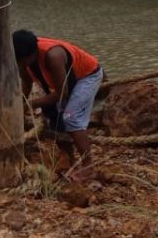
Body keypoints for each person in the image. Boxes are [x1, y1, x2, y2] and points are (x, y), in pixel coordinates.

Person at [13, 30, 103, 166]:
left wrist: (28, 105)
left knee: (71, 118)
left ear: (31, 55)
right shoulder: (23, 57)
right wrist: (20, 102)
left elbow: (61, 94)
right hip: (65, 83)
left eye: (21, 61)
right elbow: (26, 81)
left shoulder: (54, 56)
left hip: (86, 76)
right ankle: (69, 158)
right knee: (53, 115)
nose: (20, 64)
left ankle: (88, 166)